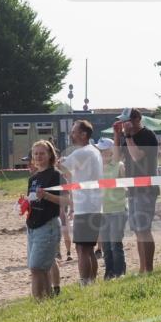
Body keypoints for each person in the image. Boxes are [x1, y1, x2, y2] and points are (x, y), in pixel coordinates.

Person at [112, 108, 160, 273]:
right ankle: (142, 268)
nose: (125, 124)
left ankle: (149, 268)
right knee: (138, 231)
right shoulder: (127, 136)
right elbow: (116, 158)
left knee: (144, 229)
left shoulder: (148, 135)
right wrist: (117, 136)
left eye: (127, 121)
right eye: (123, 121)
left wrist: (128, 136)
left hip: (146, 188)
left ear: (137, 119)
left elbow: (137, 156)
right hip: (133, 188)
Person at [58, 120, 104, 284]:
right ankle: (91, 280)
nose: (72, 134)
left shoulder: (81, 153)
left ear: (84, 134)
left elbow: (59, 166)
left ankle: (85, 281)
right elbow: (70, 171)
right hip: (94, 204)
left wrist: (60, 162)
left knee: (81, 248)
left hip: (85, 206)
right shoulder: (94, 151)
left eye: (74, 132)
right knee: (88, 248)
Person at [25, 140, 64, 299]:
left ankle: (39, 304)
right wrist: (25, 203)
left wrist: (47, 195)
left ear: (50, 155)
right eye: (35, 154)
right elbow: (33, 200)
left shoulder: (56, 175)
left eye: (42, 153)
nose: (38, 156)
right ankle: (47, 302)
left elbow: (67, 200)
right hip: (33, 226)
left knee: (36, 268)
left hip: (48, 225)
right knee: (40, 269)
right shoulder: (33, 178)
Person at [94, 138, 128, 279]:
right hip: (103, 211)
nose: (100, 154)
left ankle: (119, 272)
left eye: (103, 151)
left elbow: (127, 184)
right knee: (106, 246)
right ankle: (109, 273)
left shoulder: (119, 166)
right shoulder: (97, 169)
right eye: (99, 151)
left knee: (115, 244)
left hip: (118, 209)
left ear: (110, 152)